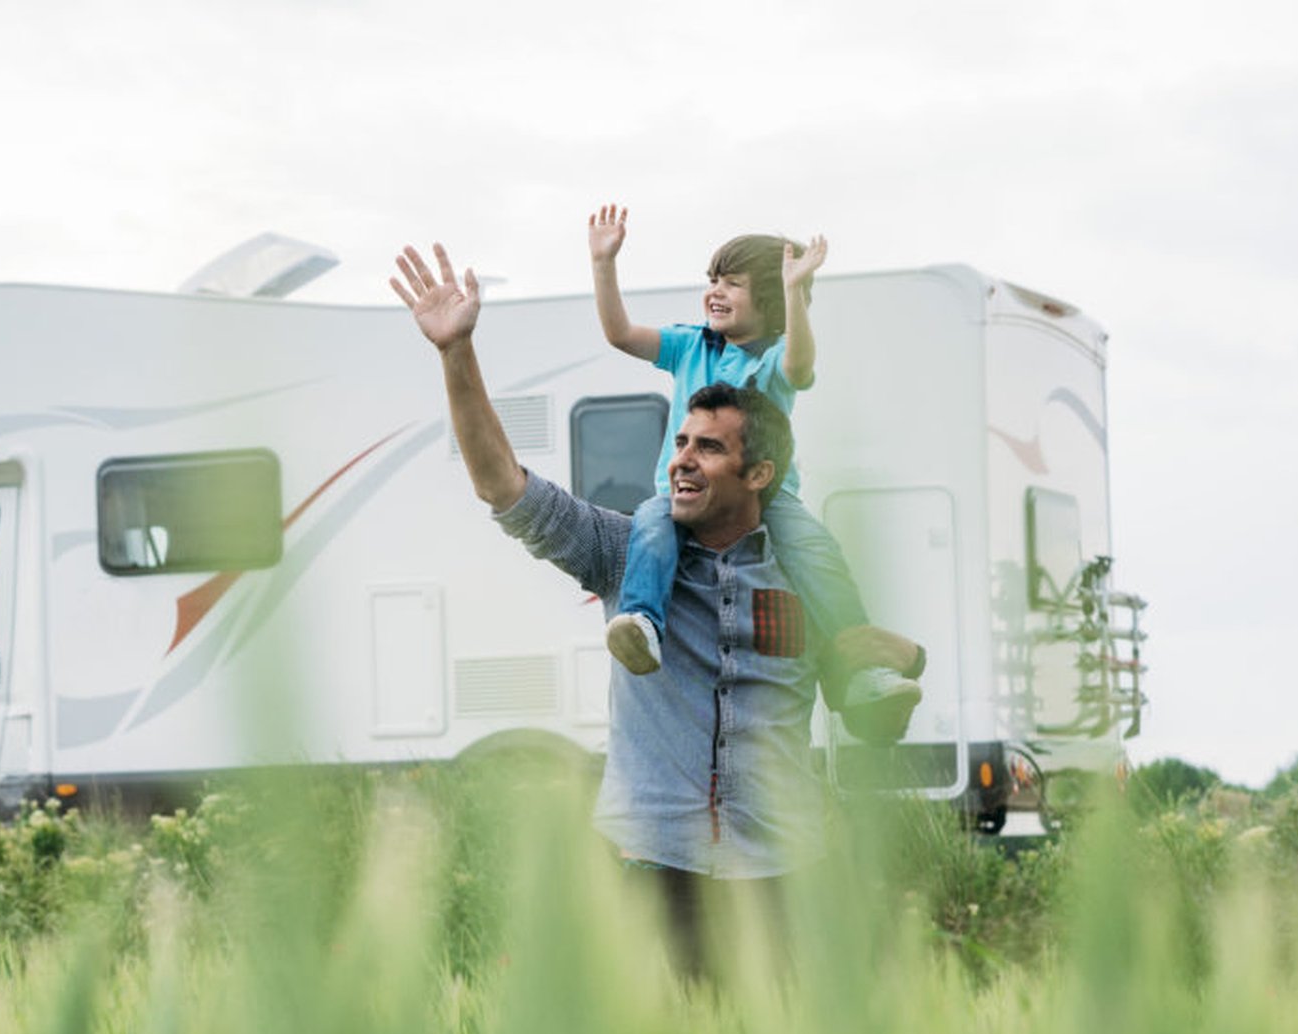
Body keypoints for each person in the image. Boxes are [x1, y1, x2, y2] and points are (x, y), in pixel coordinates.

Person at [390, 241, 922, 973]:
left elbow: (864, 714)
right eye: (680, 442)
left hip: (785, 880)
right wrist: (456, 354)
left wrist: (895, 670)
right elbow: (502, 487)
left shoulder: (803, 574)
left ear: (760, 472)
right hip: (650, 869)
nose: (681, 459)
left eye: (708, 448)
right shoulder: (624, 551)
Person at [586, 204, 924, 742]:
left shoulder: (773, 360)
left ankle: (863, 668)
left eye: (733, 283)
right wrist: (604, 263)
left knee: (817, 552)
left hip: (766, 498)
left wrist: (794, 292)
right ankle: (644, 626)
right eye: (712, 280)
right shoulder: (691, 344)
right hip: (682, 493)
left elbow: (799, 365)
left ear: (766, 300)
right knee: (651, 529)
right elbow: (620, 333)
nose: (715, 291)